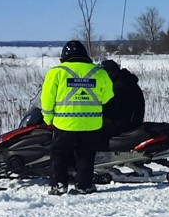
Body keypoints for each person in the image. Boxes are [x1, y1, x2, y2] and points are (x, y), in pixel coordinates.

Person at [40, 40, 114, 195]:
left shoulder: (56, 72)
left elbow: (47, 99)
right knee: (86, 155)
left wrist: (48, 119)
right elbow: (107, 96)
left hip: (64, 123)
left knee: (60, 153)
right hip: (91, 124)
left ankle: (59, 185)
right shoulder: (99, 72)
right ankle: (84, 185)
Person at [100, 59, 146, 139]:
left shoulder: (122, 86)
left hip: (126, 123)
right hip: (124, 119)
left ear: (112, 73)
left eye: (104, 74)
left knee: (92, 126)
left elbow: (110, 107)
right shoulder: (123, 81)